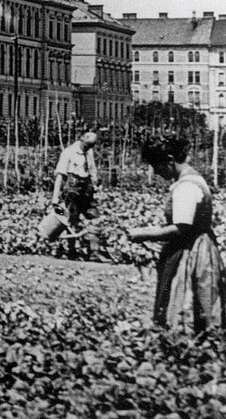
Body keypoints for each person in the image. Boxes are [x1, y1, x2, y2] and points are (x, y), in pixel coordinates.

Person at [127, 134, 225, 333]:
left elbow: (181, 228)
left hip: (191, 252)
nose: (156, 172)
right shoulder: (195, 179)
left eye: (157, 166)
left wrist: (143, 234)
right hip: (201, 246)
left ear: (170, 161)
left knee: (183, 298)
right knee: (200, 299)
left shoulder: (186, 187)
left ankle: (183, 341)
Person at [51, 129, 104, 258]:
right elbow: (60, 175)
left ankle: (94, 251)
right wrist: (55, 196)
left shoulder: (89, 152)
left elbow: (92, 171)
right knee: (70, 220)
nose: (89, 148)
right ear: (82, 139)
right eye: (87, 145)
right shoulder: (68, 152)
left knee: (95, 218)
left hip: (86, 191)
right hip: (72, 190)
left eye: (91, 146)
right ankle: (70, 250)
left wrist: (96, 186)